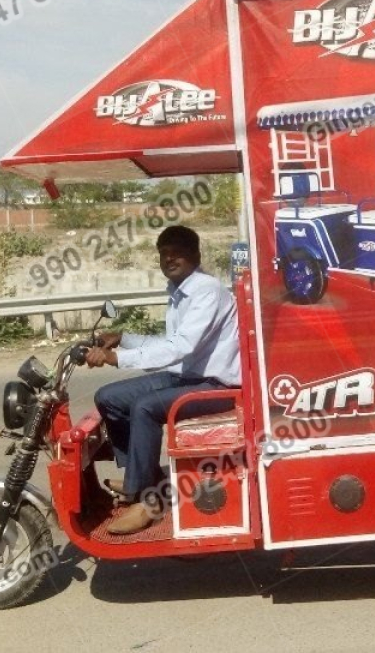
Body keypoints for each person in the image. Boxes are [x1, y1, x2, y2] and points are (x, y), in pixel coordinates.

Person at [86, 225, 240, 535]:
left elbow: (181, 347)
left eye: (177, 253)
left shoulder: (206, 291)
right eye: (163, 254)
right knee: (109, 397)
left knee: (145, 407)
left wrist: (117, 358)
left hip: (219, 386)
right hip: (189, 378)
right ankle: (143, 478)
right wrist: (123, 339)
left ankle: (147, 502)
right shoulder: (180, 293)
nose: (169, 259)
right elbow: (170, 343)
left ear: (195, 255)